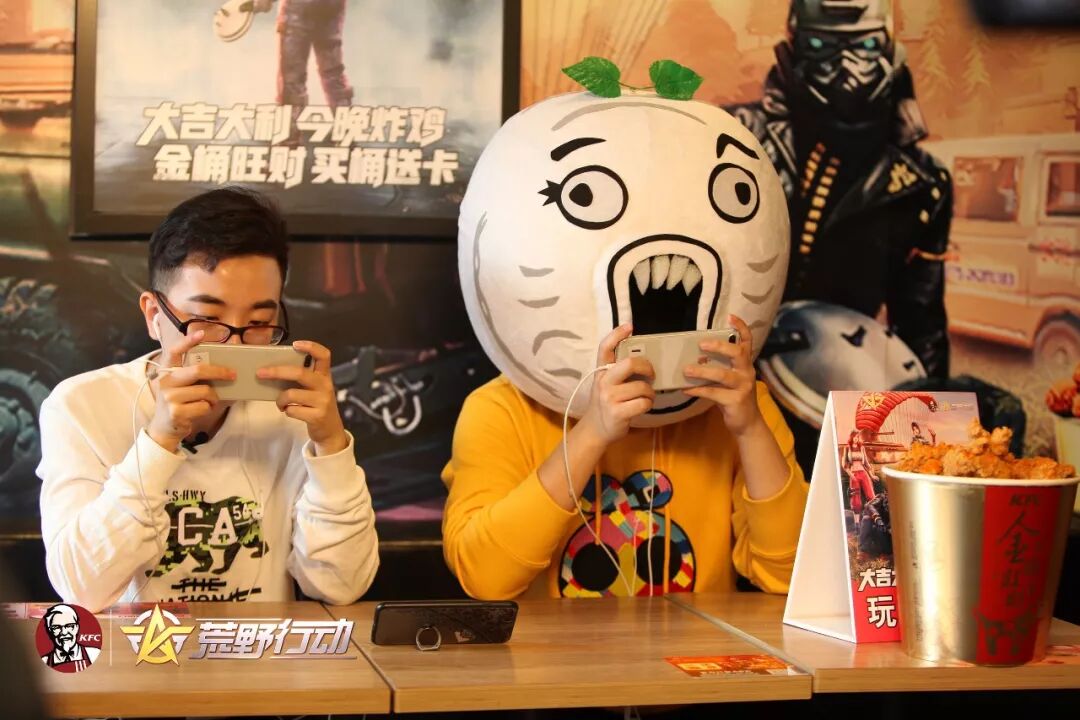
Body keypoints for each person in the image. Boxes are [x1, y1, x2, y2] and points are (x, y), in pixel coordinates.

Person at [444, 90, 808, 600]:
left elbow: (789, 575)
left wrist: (748, 429)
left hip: (701, 652)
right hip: (553, 655)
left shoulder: (739, 406)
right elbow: (485, 577)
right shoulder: (501, 411)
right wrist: (593, 431)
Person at [37, 188, 378, 612]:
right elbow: (81, 589)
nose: (234, 344)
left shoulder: (290, 410)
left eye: (259, 321)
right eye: (207, 319)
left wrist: (331, 447)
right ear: (154, 316)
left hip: (258, 652)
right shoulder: (82, 406)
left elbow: (341, 585)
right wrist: (159, 441)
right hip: (134, 653)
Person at [729, 0, 953, 380]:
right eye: (820, 46)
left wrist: (934, 409)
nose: (847, 66)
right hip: (736, 370)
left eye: (865, 46)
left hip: (833, 375)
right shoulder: (736, 138)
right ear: (795, 47)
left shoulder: (923, 182)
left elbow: (921, 325)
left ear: (888, 48)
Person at [40, 604, 99, 672]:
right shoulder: (44, 660)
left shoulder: (93, 653)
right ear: (50, 631)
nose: (64, 632)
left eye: (69, 626)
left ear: (77, 628)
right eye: (56, 627)